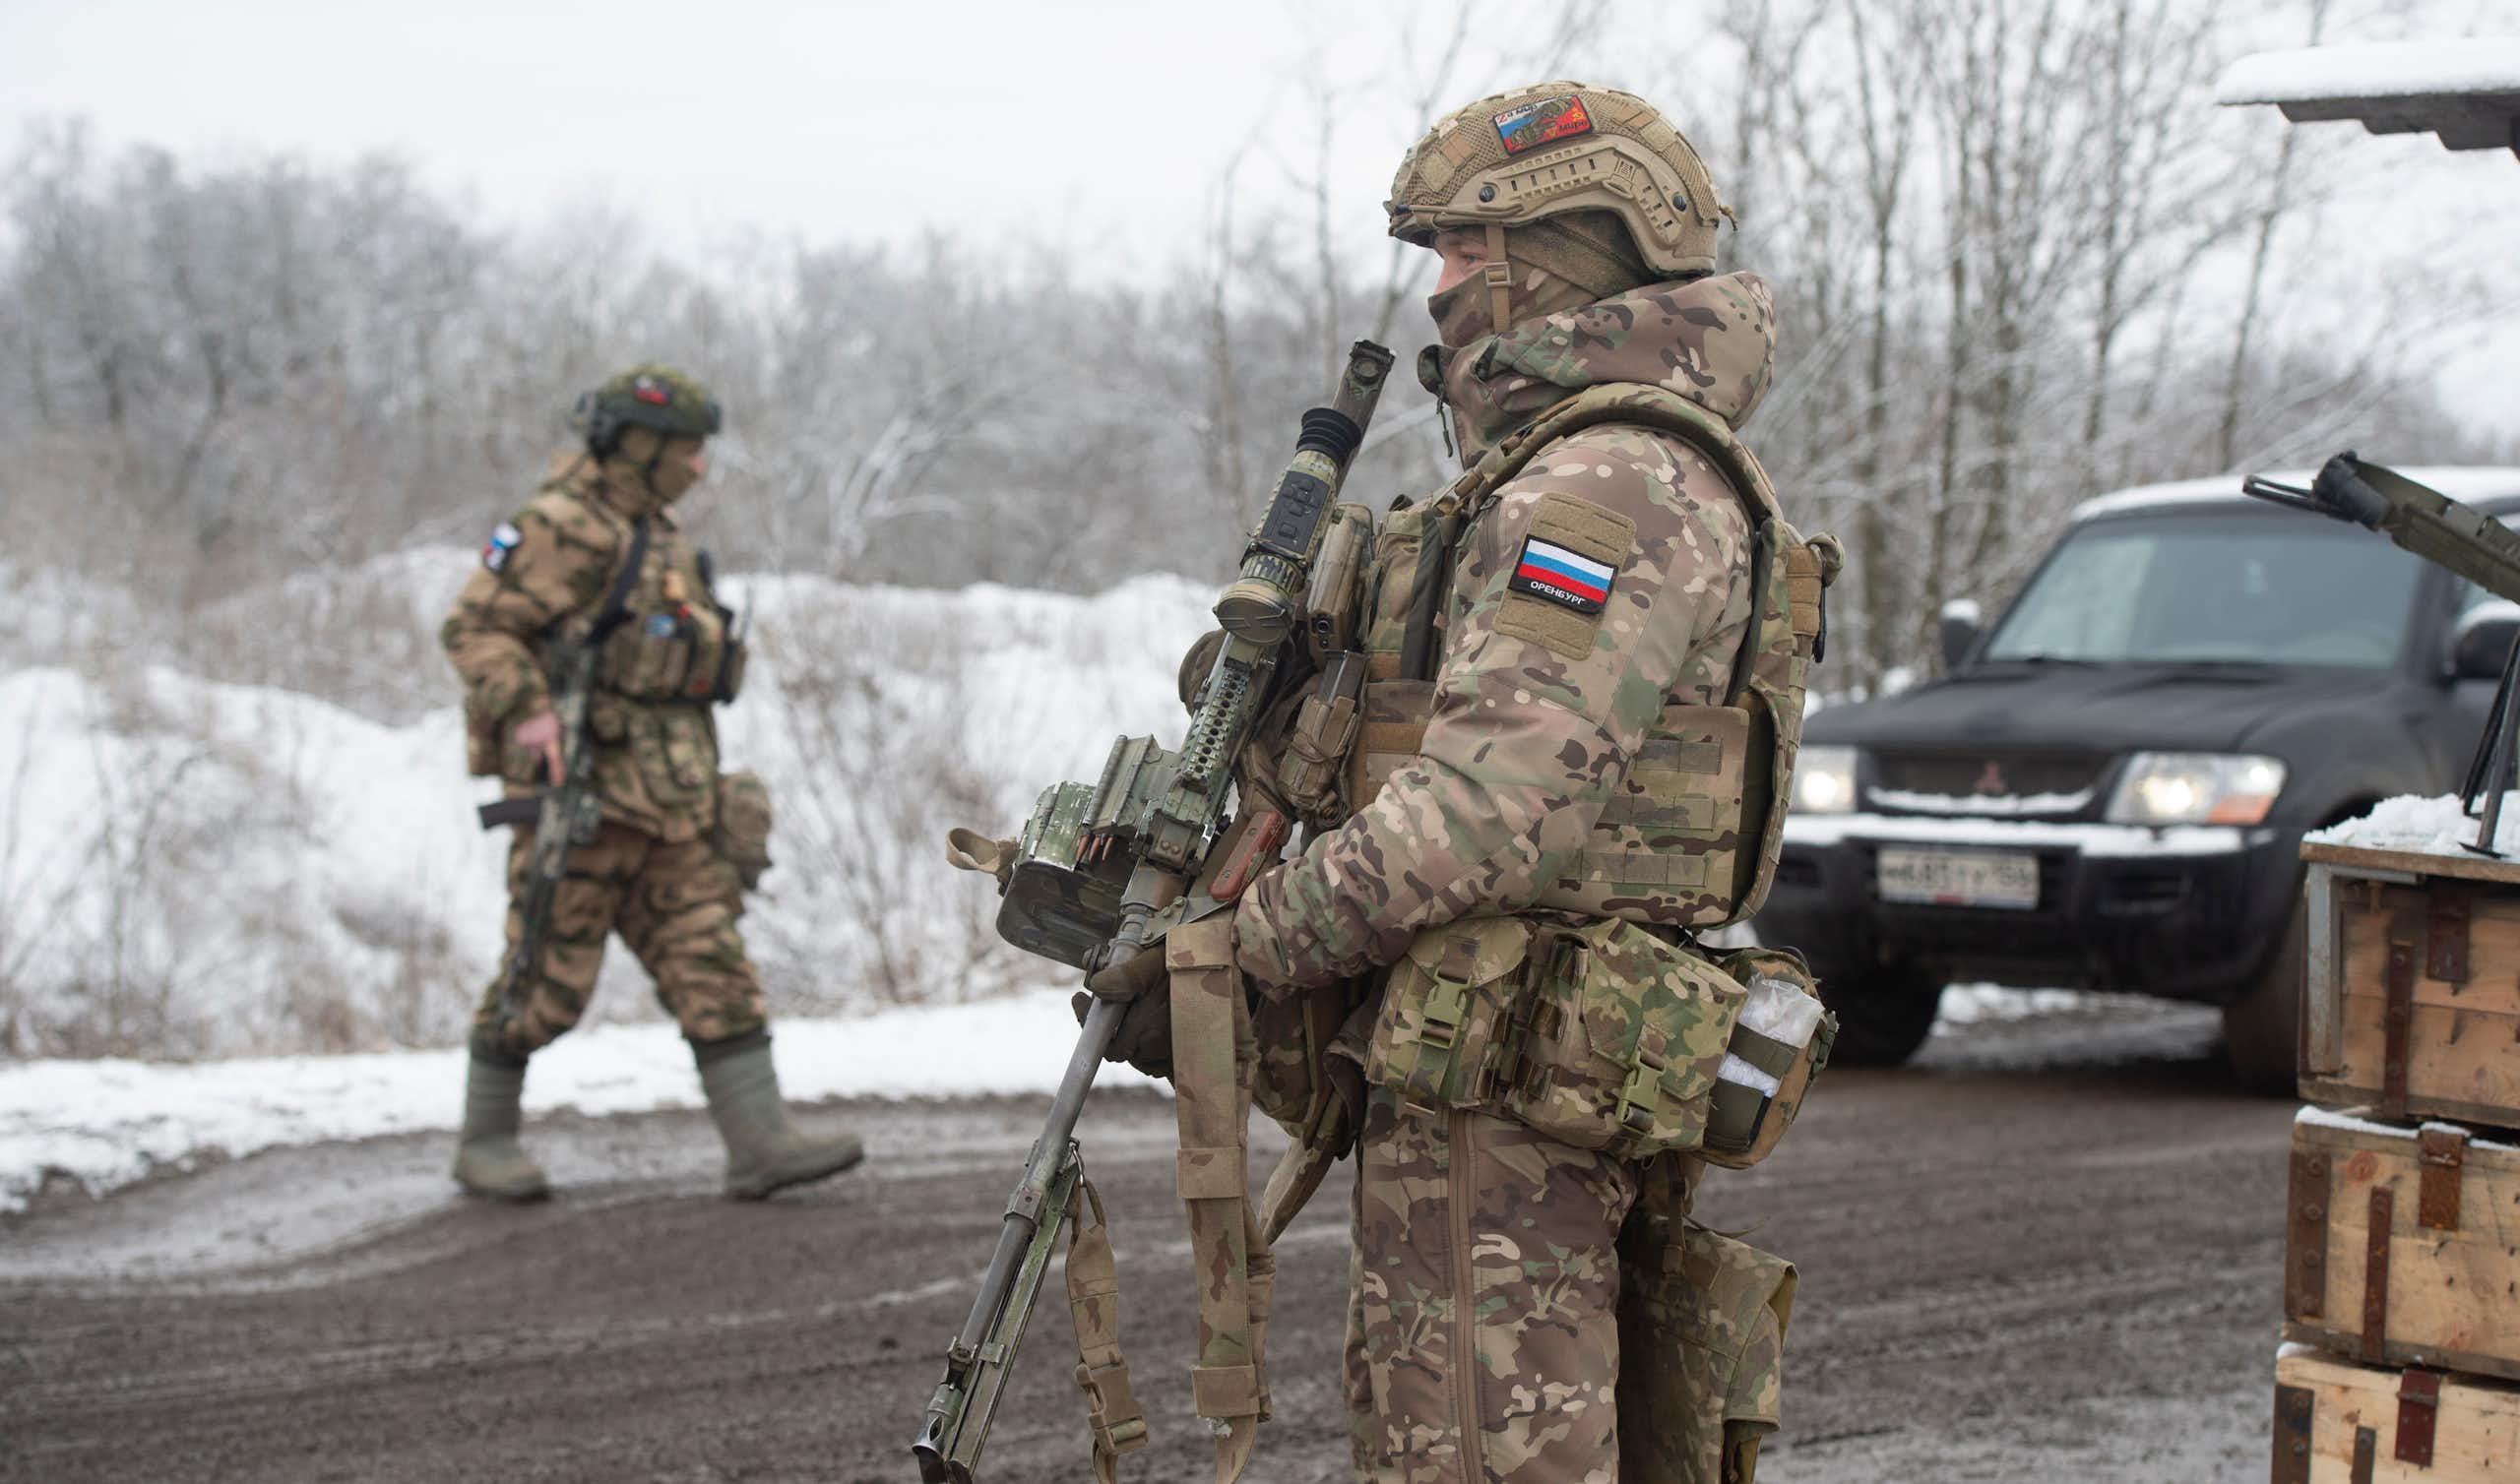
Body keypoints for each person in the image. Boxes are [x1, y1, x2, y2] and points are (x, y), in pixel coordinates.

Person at [1095, 82, 1829, 1482]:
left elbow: (1484, 814)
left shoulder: (1603, 489)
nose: (1435, 289)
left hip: (1514, 1095)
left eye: (1456, 251)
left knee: (1482, 1457)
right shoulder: (1558, 473)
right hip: (1481, 1072)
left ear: (1547, 258)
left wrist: (1231, 952)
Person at [441, 364, 864, 1202]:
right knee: (543, 984)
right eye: (685, 449)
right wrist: (527, 710)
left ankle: (760, 1143)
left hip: (671, 808)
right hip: (588, 808)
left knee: (714, 966)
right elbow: (474, 627)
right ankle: (483, 1143)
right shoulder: (560, 525)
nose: (698, 466)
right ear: (637, 445)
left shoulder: (657, 534)